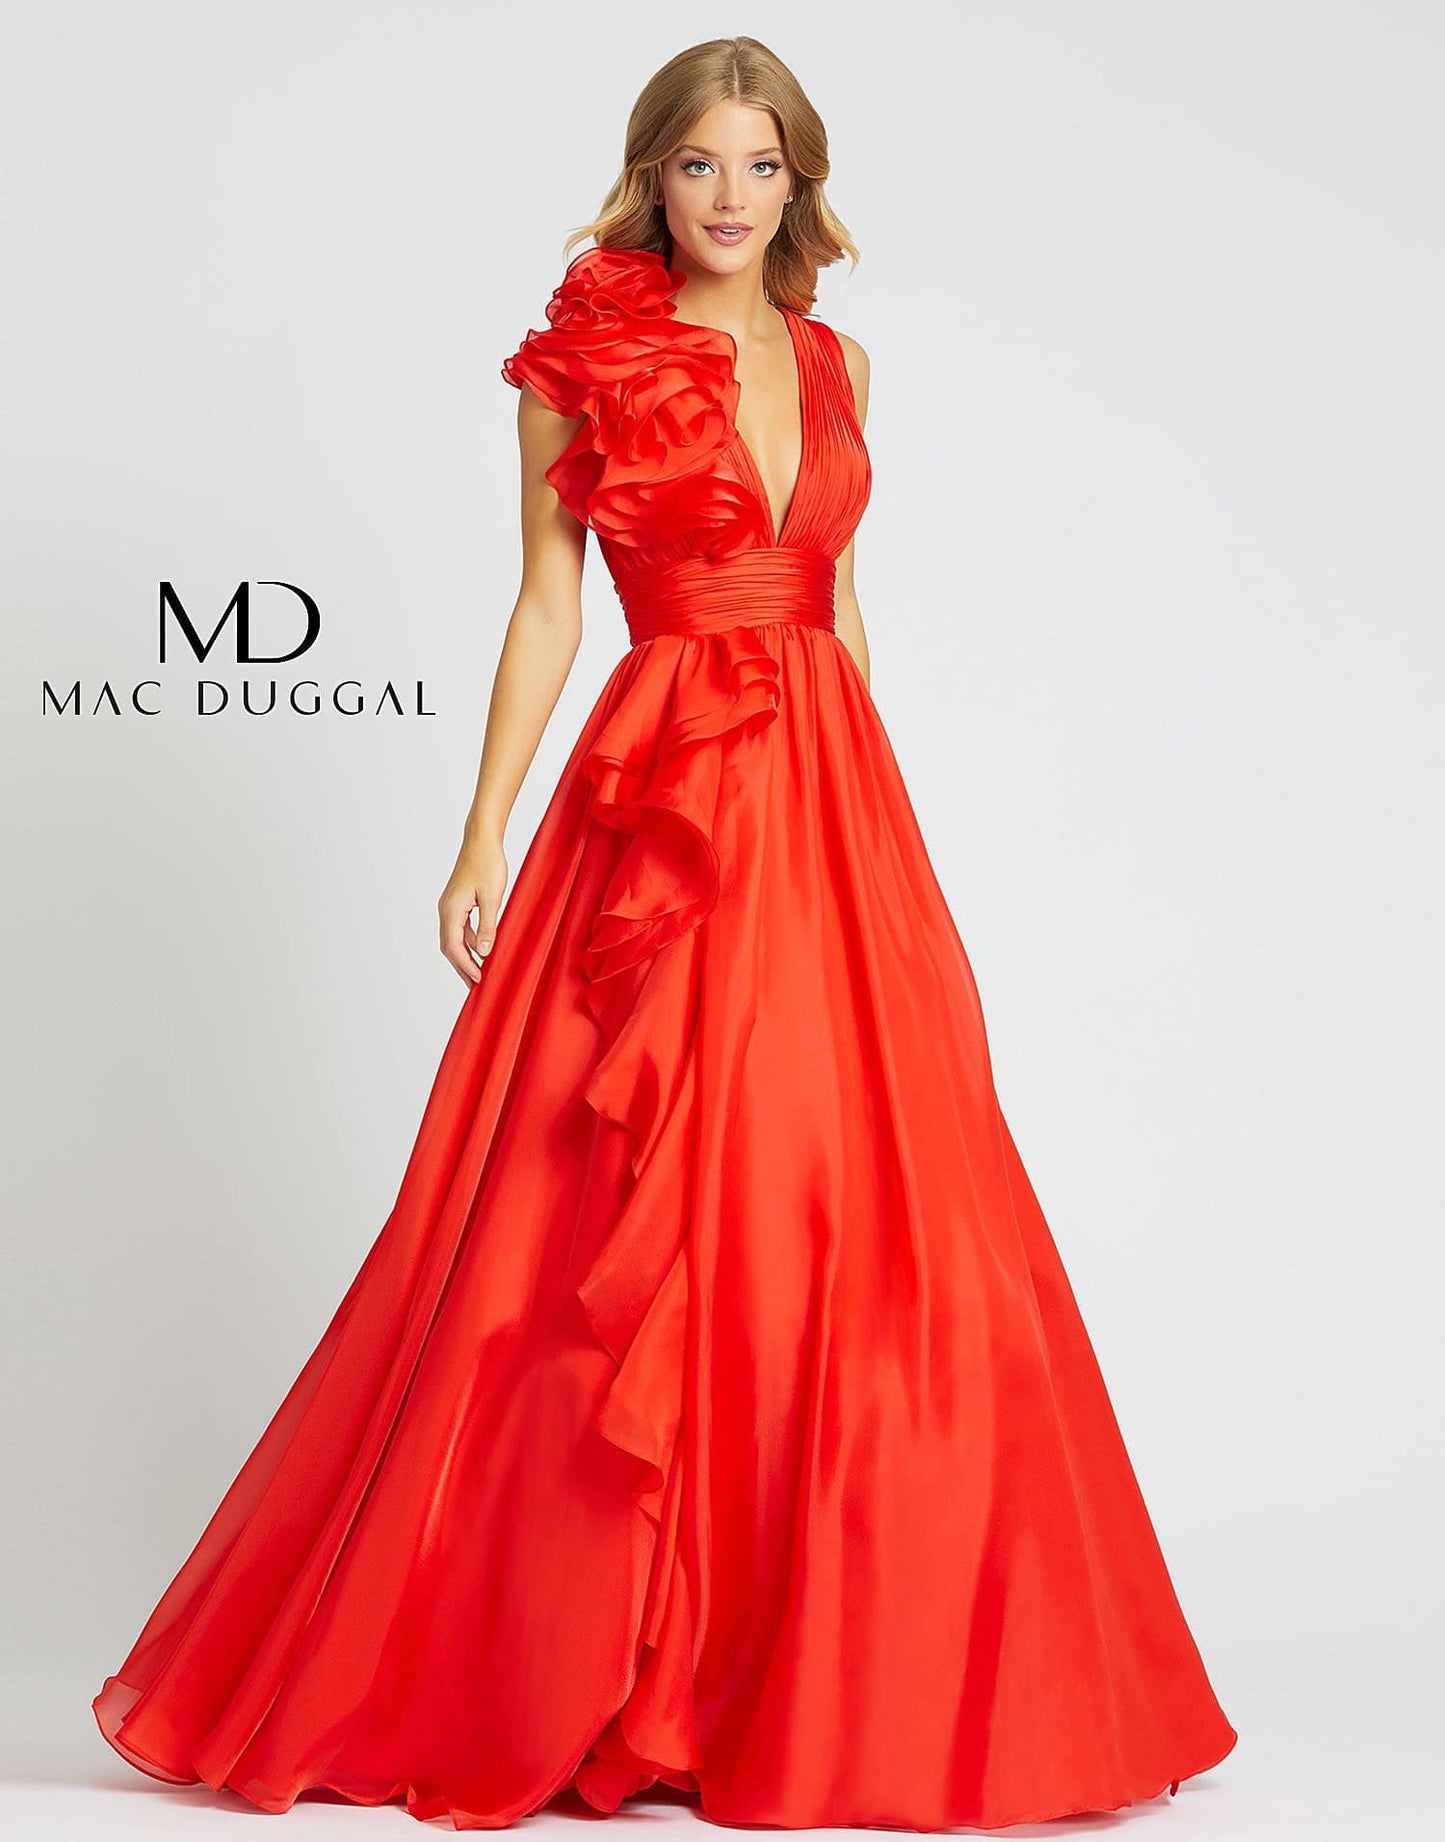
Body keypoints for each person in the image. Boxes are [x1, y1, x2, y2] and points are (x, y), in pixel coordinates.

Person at [92, 34, 1238, 1832]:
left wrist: (875, 830)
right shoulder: (581, 370)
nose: (729, 196)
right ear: (652, 176)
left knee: (843, 1208)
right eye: (699, 163)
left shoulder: (843, 363)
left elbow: (841, 606)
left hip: (826, 800)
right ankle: (605, 1654)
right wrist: (480, 828)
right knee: (598, 1208)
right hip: (659, 796)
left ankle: (811, 1664)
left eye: (761, 165)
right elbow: (547, 608)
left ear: (799, 183)